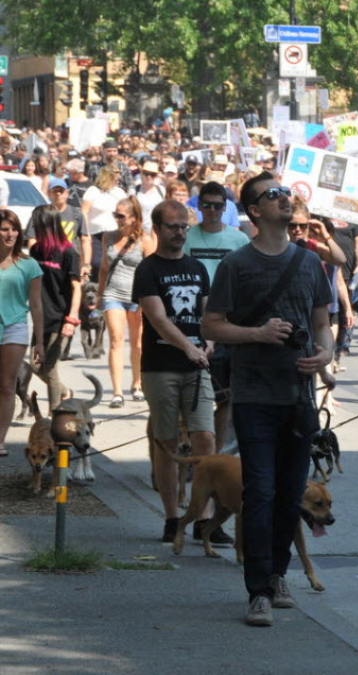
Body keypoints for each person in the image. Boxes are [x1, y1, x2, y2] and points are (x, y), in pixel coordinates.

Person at [202, 174, 334, 627]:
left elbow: (321, 323)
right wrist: (257, 333)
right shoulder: (237, 265)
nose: (284, 198)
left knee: (289, 494)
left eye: (284, 192)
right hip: (255, 395)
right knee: (259, 491)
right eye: (272, 194)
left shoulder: (309, 262)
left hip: (299, 397)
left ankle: (279, 575)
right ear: (255, 211)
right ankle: (257, 590)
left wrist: (326, 352)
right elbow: (212, 326)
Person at [135, 200, 226, 545]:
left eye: (184, 226)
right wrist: (187, 346)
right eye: (173, 226)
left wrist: (210, 342)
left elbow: (207, 313)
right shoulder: (148, 270)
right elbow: (158, 319)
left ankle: (204, 518)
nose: (179, 232)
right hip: (161, 367)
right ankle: (173, 517)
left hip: (197, 365)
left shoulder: (197, 268)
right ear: (157, 229)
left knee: (206, 437)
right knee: (167, 442)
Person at [183, 181, 250, 450]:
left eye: (217, 206)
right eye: (207, 205)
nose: (212, 211)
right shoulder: (187, 237)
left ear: (226, 208)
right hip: (191, 321)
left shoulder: (238, 239)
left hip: (227, 322)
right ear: (199, 207)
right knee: (192, 395)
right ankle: (189, 448)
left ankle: (217, 454)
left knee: (224, 396)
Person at [98, 198, 154, 407]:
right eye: (116, 214)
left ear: (134, 218)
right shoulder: (108, 237)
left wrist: (148, 300)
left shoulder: (145, 240)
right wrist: (99, 295)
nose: (117, 219)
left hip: (136, 297)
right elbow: (104, 267)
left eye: (121, 216)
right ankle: (117, 391)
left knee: (138, 343)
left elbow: (151, 271)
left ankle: (137, 383)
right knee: (115, 340)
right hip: (113, 294)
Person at [0, 209, 45, 456]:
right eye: (4, 229)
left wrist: (39, 341)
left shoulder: (29, 264)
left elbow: (36, 305)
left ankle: (0, 440)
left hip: (15, 327)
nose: (10, 234)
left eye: (14, 229)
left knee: (7, 386)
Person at [27, 206, 81, 408]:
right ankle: (65, 392)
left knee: (49, 368)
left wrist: (72, 318)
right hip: (41, 317)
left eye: (36, 223)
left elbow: (77, 288)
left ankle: (54, 413)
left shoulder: (68, 253)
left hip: (61, 318)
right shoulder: (35, 250)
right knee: (35, 366)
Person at [81, 166, 128, 277]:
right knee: (97, 263)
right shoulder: (93, 191)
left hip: (114, 233)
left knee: (114, 262)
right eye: (115, 177)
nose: (118, 179)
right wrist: (85, 232)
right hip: (96, 234)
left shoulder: (119, 192)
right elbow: (84, 212)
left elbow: (127, 211)